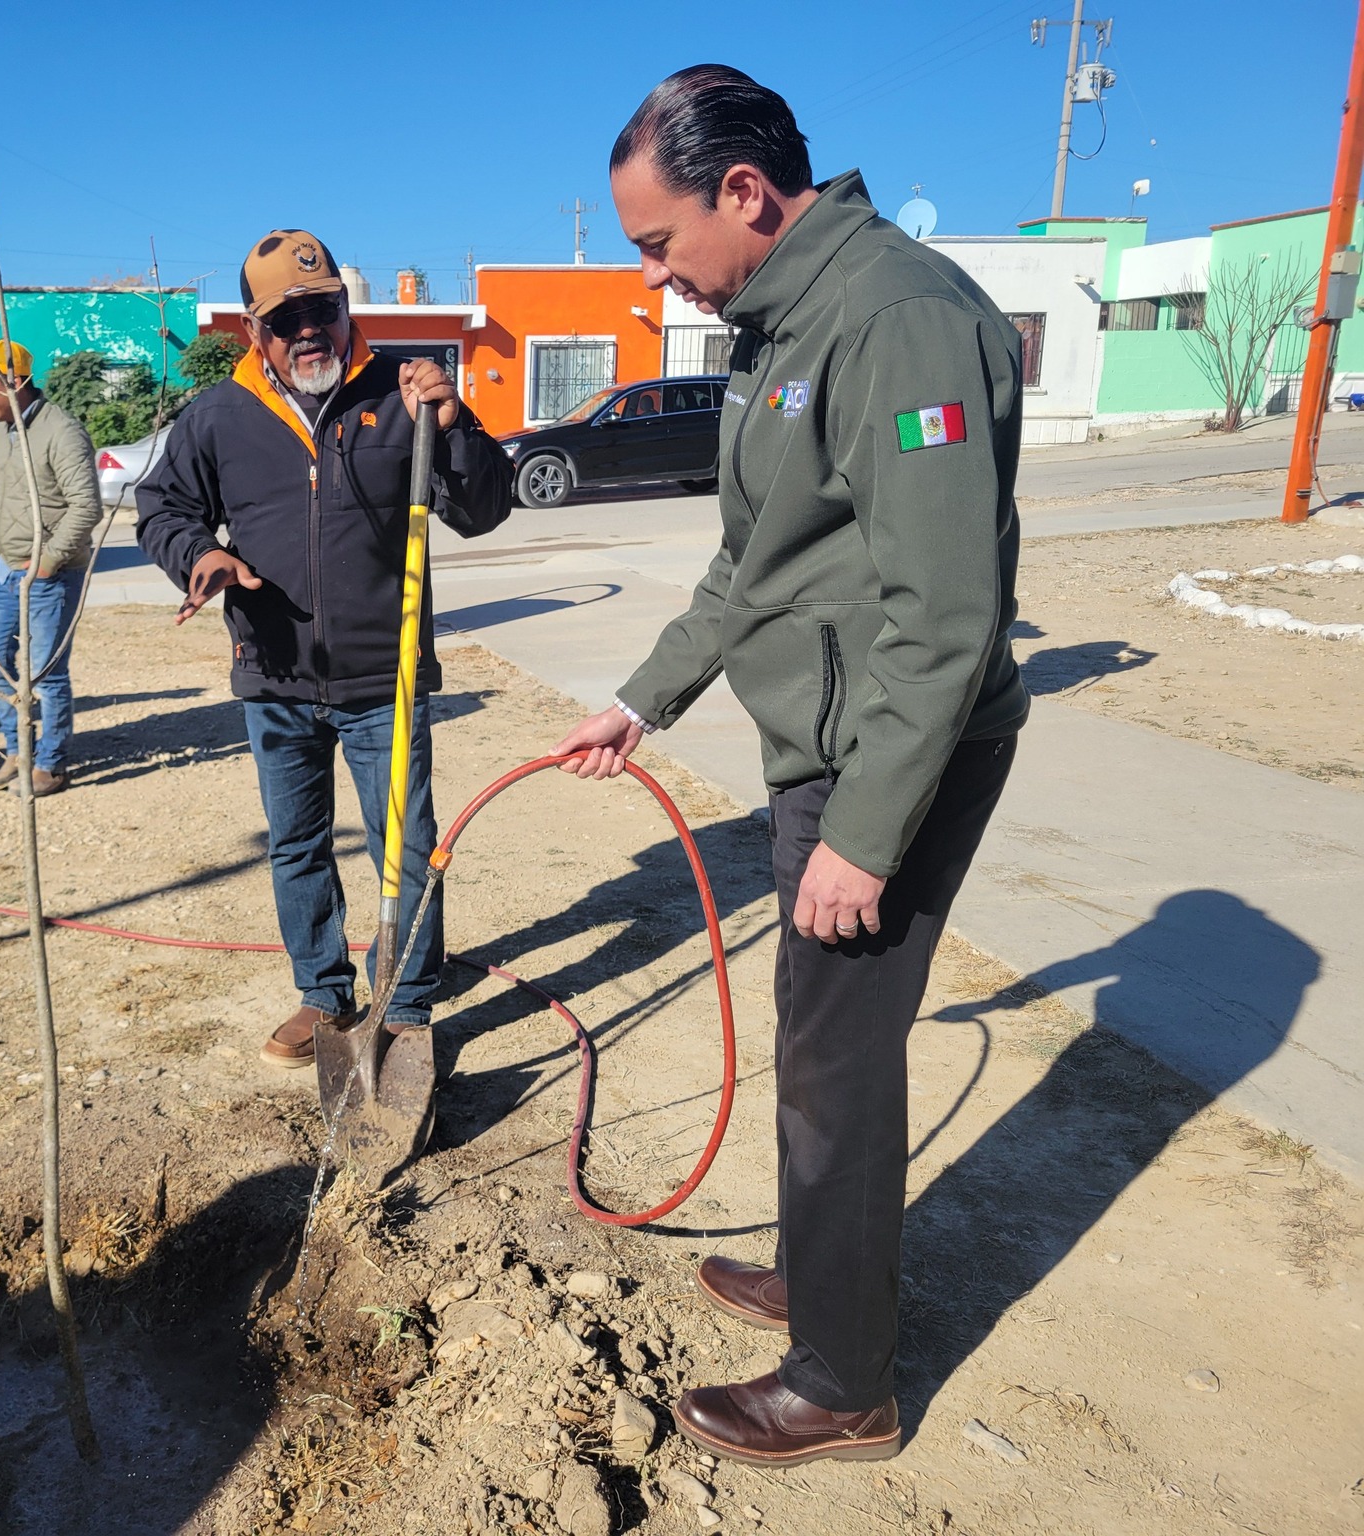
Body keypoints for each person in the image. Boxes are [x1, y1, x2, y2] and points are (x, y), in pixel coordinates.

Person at [551, 66, 1029, 1465]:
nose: (658, 280)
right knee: (823, 1049)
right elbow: (748, 568)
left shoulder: (896, 318)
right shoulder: (783, 324)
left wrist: (868, 832)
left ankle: (844, 1385)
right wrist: (643, 702)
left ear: (745, 192)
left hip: (889, 754)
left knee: (836, 1061)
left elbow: (947, 619)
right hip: (826, 743)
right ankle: (827, 1285)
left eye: (658, 244)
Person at [135, 229, 514, 1067]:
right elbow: (161, 507)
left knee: (405, 845)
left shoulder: (404, 392)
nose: (308, 329)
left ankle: (408, 1005)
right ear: (252, 329)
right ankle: (323, 993)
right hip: (273, 676)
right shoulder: (219, 414)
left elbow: (485, 507)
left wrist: (451, 426)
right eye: (286, 317)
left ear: (346, 308)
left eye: (322, 309)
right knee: (298, 843)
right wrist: (200, 557)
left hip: (386, 674)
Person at [0, 340, 106, 796]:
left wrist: (46, 563)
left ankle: (51, 764)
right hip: (4, 570)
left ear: (15, 382)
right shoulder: (1, 431)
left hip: (49, 575)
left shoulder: (61, 431)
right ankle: (18, 752)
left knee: (45, 673)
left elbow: (87, 507)